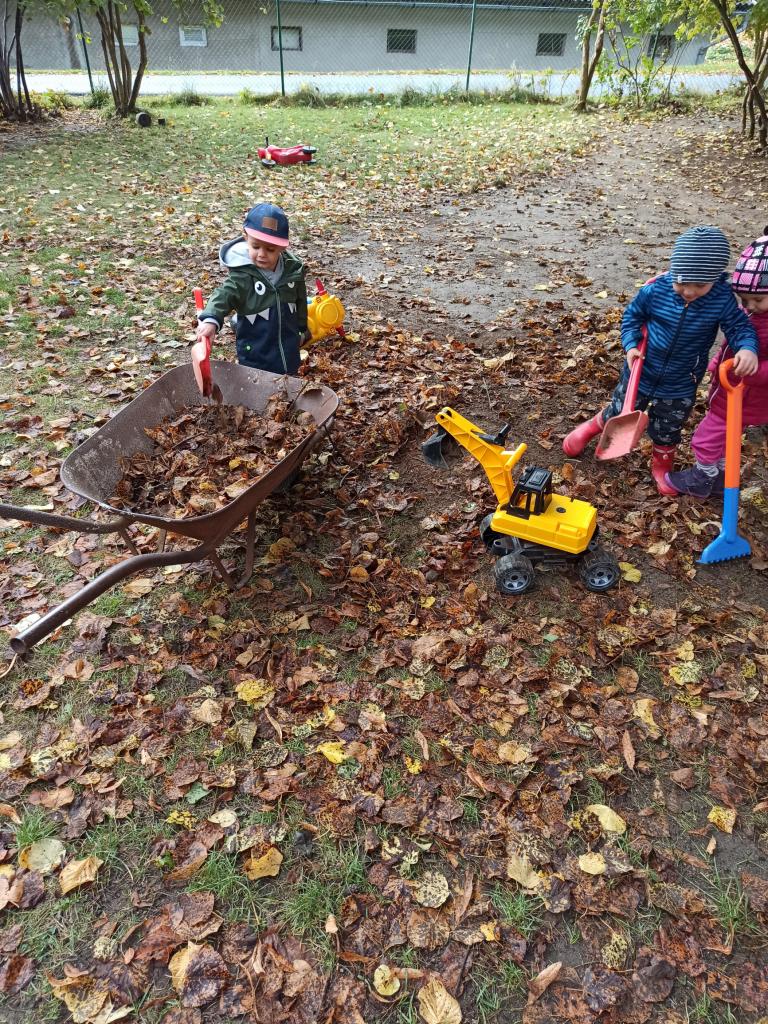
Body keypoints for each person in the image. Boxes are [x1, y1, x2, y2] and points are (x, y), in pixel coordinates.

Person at [562, 225, 759, 495]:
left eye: (700, 285)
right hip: (641, 371)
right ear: (672, 271)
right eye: (682, 283)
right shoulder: (656, 290)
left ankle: (662, 462)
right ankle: (593, 426)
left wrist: (746, 348)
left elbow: (739, 327)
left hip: (681, 380)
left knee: (668, 426)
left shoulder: (721, 299)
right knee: (619, 410)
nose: (689, 292)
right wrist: (630, 345)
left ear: (715, 278)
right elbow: (632, 318)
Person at [666, 229, 768, 498]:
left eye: (758, 300)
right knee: (726, 439)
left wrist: (751, 372)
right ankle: (722, 477)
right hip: (730, 391)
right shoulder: (754, 315)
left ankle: (701, 478)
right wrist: (716, 363)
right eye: (744, 300)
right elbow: (730, 345)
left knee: (706, 438)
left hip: (745, 398)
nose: (750, 306)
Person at [194, 202, 309, 382]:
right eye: (255, 247)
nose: (262, 254)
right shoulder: (243, 274)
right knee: (258, 383)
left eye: (270, 249)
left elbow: (300, 300)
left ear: (282, 248)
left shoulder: (292, 271)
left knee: (287, 379)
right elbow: (223, 295)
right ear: (246, 238)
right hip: (255, 350)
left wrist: (302, 329)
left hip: (287, 347)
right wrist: (211, 320)